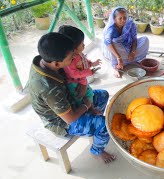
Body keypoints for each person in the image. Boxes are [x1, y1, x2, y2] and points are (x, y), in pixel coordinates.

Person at [28, 32, 115, 163]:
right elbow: (69, 118)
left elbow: (76, 74)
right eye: (71, 57)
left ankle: (92, 124)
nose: (75, 57)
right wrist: (86, 105)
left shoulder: (46, 59)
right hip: (60, 122)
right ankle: (97, 150)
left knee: (103, 95)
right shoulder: (49, 88)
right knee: (104, 125)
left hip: (70, 100)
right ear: (57, 64)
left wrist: (83, 86)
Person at [58, 25, 101, 115]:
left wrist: (92, 64)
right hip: (74, 83)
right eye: (82, 44)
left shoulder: (79, 54)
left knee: (89, 93)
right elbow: (74, 74)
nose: (84, 45)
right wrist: (89, 72)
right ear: (73, 48)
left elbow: (84, 62)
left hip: (82, 80)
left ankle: (91, 108)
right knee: (80, 98)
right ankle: (87, 111)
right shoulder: (70, 61)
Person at [102, 6, 149, 78]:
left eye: (125, 17)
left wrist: (132, 52)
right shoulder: (111, 28)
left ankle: (129, 59)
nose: (123, 20)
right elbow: (107, 42)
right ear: (114, 19)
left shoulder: (130, 24)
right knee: (112, 44)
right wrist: (118, 57)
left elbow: (134, 39)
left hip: (129, 46)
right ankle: (116, 65)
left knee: (145, 40)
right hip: (118, 51)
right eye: (120, 18)